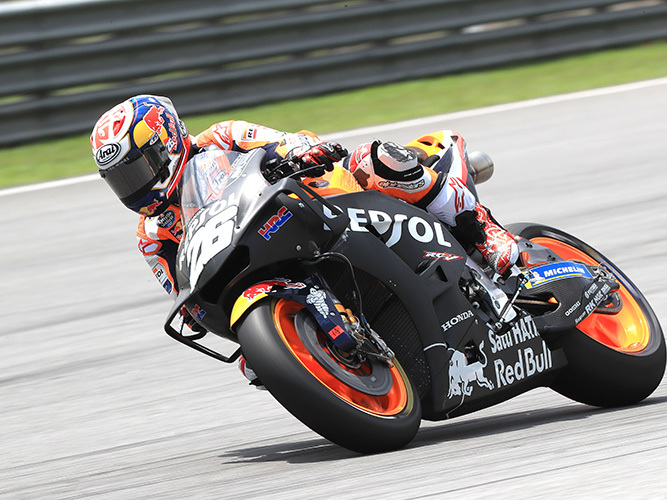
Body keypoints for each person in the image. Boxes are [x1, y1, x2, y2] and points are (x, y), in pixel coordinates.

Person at [91, 94, 518, 382]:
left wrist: (299, 151)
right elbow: (184, 292)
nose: (134, 187)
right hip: (266, 257)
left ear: (166, 141)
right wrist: (250, 345)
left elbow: (284, 142)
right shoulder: (152, 234)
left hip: (327, 200)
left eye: (138, 170)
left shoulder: (221, 138)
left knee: (379, 159)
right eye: (121, 181)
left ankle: (482, 231)